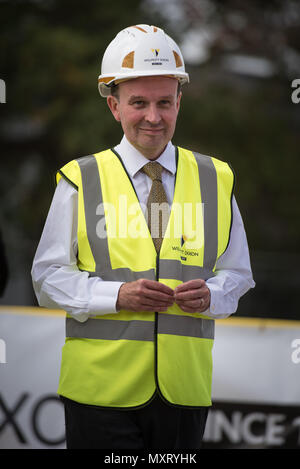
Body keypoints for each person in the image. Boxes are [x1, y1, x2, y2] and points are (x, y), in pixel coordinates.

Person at [31, 24, 255, 450]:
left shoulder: (216, 178)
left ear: (179, 103)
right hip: (99, 395)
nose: (153, 116)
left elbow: (238, 274)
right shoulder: (80, 179)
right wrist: (117, 296)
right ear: (114, 106)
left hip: (183, 395)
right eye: (139, 103)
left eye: (164, 103)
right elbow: (46, 279)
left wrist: (212, 296)